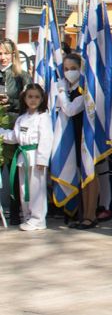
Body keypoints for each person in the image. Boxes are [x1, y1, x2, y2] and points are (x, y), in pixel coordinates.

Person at [55, 53, 99, 228]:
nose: (69, 72)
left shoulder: (83, 88)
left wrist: (60, 92)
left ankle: (91, 214)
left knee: (90, 174)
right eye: (66, 69)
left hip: (86, 135)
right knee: (82, 175)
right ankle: (83, 213)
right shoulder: (69, 89)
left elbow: (71, 109)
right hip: (72, 136)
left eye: (73, 69)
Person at [0, 84, 53, 230]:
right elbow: (14, 137)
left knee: (37, 188)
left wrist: (43, 159)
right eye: (30, 96)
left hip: (36, 156)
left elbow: (46, 139)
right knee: (24, 189)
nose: (33, 100)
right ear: (24, 98)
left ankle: (38, 219)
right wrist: (1, 133)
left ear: (42, 99)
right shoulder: (21, 118)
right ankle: (27, 216)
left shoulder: (43, 117)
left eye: (37, 97)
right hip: (23, 156)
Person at [0, 38, 28, 225]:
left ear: (13, 54)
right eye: (0, 53)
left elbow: (29, 101)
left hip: (13, 124)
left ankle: (16, 212)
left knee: (13, 171)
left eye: (6, 53)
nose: (2, 57)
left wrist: (10, 102)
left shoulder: (21, 75)